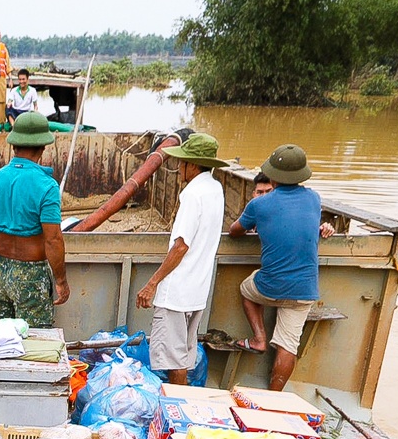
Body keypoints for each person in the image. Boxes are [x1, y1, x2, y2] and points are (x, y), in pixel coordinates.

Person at [228, 144, 326, 392]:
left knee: (246, 288)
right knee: (288, 345)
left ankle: (259, 338)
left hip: (269, 287)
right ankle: (274, 397)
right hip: (305, 290)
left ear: (273, 176)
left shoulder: (260, 205)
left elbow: (234, 231)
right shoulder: (314, 198)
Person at [134, 134, 227, 385]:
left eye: (182, 162)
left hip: (177, 293)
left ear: (192, 165)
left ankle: (178, 405)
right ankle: (182, 401)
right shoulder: (215, 189)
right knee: (183, 357)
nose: (179, 167)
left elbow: (181, 246)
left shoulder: (192, 194)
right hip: (197, 290)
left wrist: (152, 283)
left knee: (174, 361)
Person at [0, 112, 68, 327]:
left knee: (1, 338)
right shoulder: (47, 186)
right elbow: (53, 239)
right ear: (43, 147)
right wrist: (61, 280)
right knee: (35, 338)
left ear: (14, 145)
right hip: (31, 274)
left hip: (1, 272)